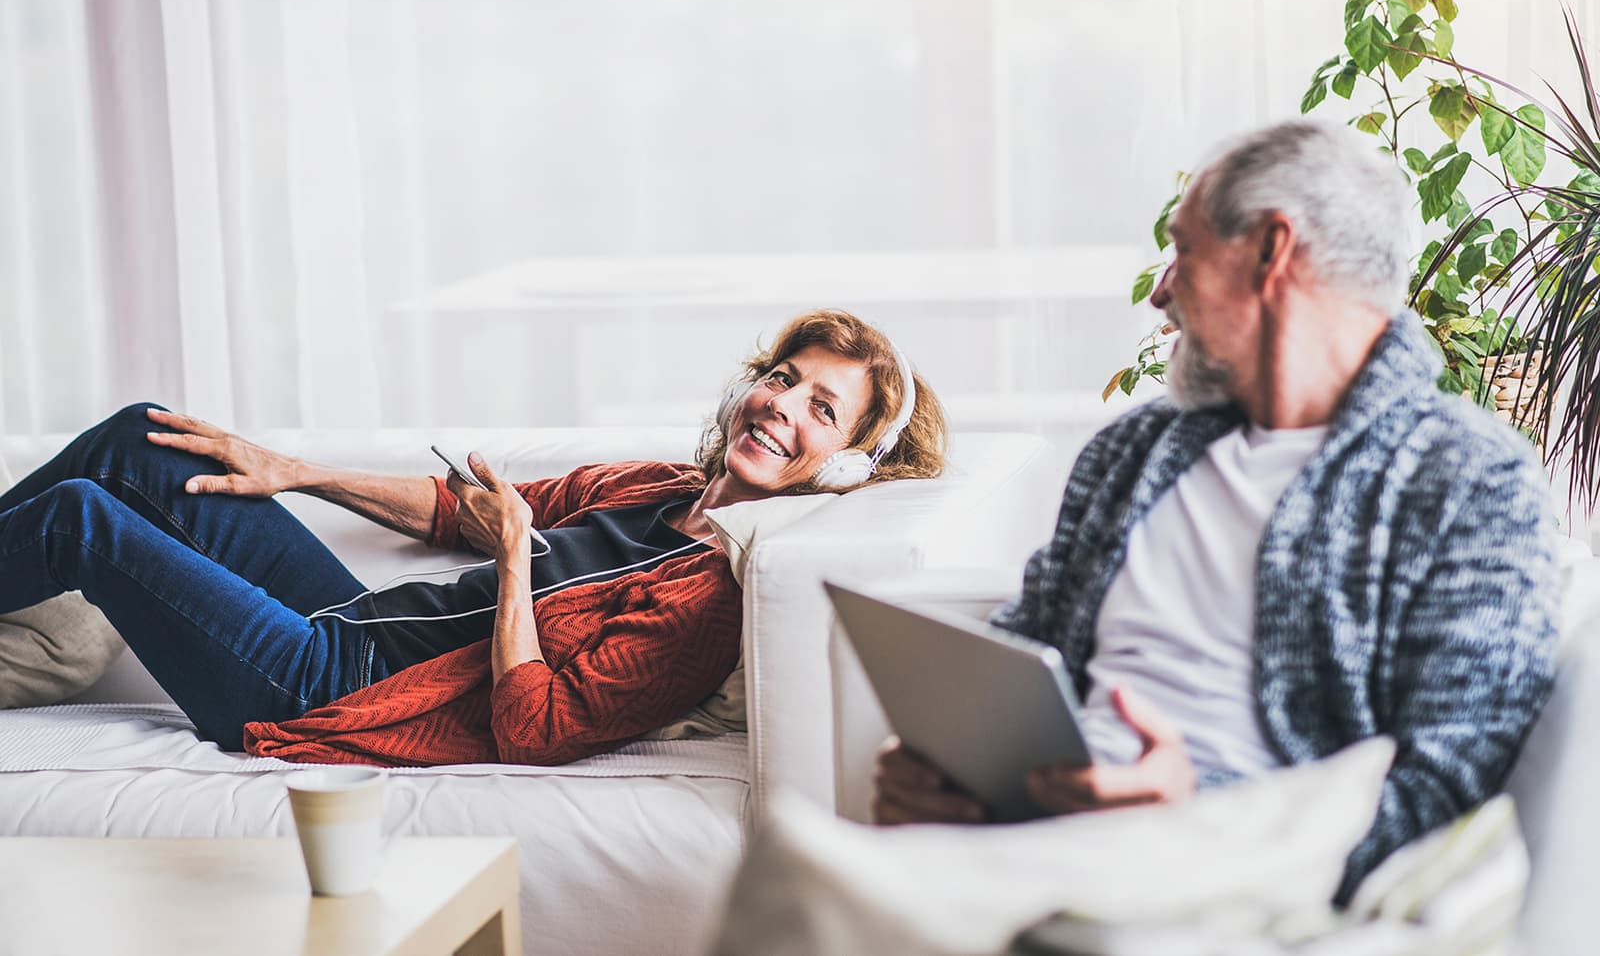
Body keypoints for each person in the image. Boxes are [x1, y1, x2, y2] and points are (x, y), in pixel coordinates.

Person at [871, 119, 1560, 904]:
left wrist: (1202, 815)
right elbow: (1027, 647)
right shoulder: (1131, 452)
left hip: (1235, 890)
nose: (1161, 291)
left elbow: (1450, 794)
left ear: (1271, 251)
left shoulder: (1469, 480)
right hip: (1038, 848)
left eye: (1183, 250)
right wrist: (938, 766)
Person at [0, 308, 946, 766]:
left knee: (84, 517)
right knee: (141, 436)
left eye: (821, 409)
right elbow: (461, 509)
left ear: (846, 465)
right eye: (782, 378)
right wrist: (298, 471)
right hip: (350, 620)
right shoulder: (651, 486)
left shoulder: (706, 604)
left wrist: (512, 563)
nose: (781, 407)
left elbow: (536, 730)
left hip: (332, 686)